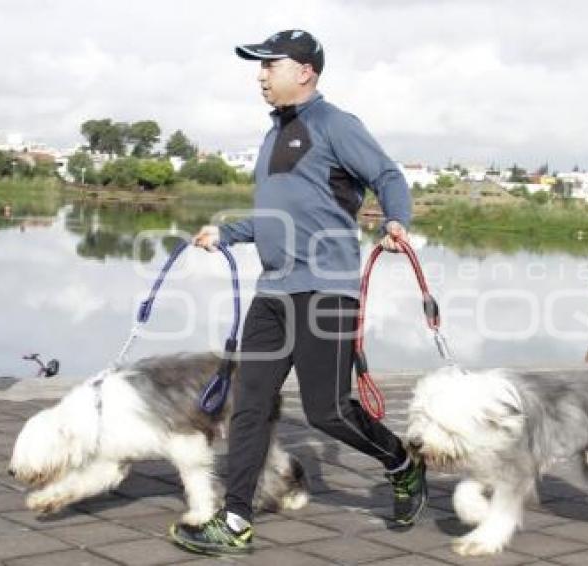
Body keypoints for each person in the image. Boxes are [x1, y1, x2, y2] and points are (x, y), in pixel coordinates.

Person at [170, 29, 427, 555]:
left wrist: (397, 221)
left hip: (327, 290)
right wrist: (228, 232)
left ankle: (401, 461)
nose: (260, 74)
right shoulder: (271, 136)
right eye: (259, 66)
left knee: (326, 411)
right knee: (250, 404)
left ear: (304, 70)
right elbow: (274, 216)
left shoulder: (335, 124)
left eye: (270, 64)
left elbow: (387, 175)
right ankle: (235, 518)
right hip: (273, 292)